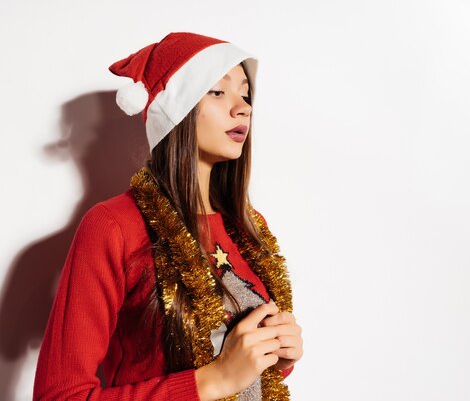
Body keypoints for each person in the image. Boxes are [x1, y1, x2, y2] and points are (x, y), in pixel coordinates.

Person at [33, 32, 303, 401]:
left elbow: (241, 364)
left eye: (246, 93)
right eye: (217, 91)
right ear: (178, 108)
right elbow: (60, 396)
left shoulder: (248, 226)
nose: (243, 108)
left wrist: (278, 353)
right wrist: (215, 379)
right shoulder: (114, 226)